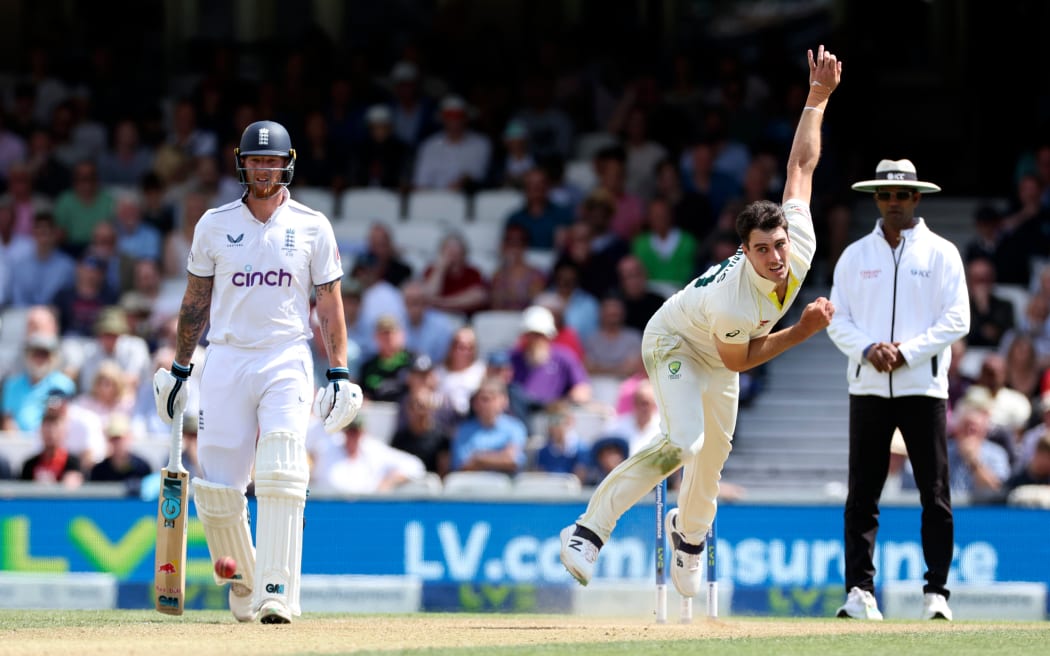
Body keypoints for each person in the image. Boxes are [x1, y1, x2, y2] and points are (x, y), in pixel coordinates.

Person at [559, 46, 840, 604]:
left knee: (713, 458)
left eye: (780, 245)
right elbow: (741, 358)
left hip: (723, 351)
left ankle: (687, 542)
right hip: (677, 341)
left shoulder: (799, 242)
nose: (778, 258)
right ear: (746, 250)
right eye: (763, 251)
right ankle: (588, 530)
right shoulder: (736, 303)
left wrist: (816, 98)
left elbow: (801, 169)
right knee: (683, 441)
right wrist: (804, 331)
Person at [151, 120, 362, 625]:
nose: (263, 168)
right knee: (221, 488)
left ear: (287, 162)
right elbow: (195, 303)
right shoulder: (214, 224)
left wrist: (339, 372)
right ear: (241, 162)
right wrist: (181, 369)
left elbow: (329, 305)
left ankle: (279, 592)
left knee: (283, 463)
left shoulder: (312, 225)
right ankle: (244, 583)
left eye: (272, 159)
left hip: (285, 355)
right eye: (255, 160)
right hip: (224, 357)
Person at [826, 156, 970, 621]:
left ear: (916, 197)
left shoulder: (942, 252)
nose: (892, 202)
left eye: (901, 194)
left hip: (923, 387)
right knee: (862, 494)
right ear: (876, 198)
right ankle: (859, 592)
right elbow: (837, 320)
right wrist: (868, 348)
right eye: (885, 194)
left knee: (935, 493)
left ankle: (937, 593)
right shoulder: (854, 256)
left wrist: (906, 351)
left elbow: (957, 319)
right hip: (868, 385)